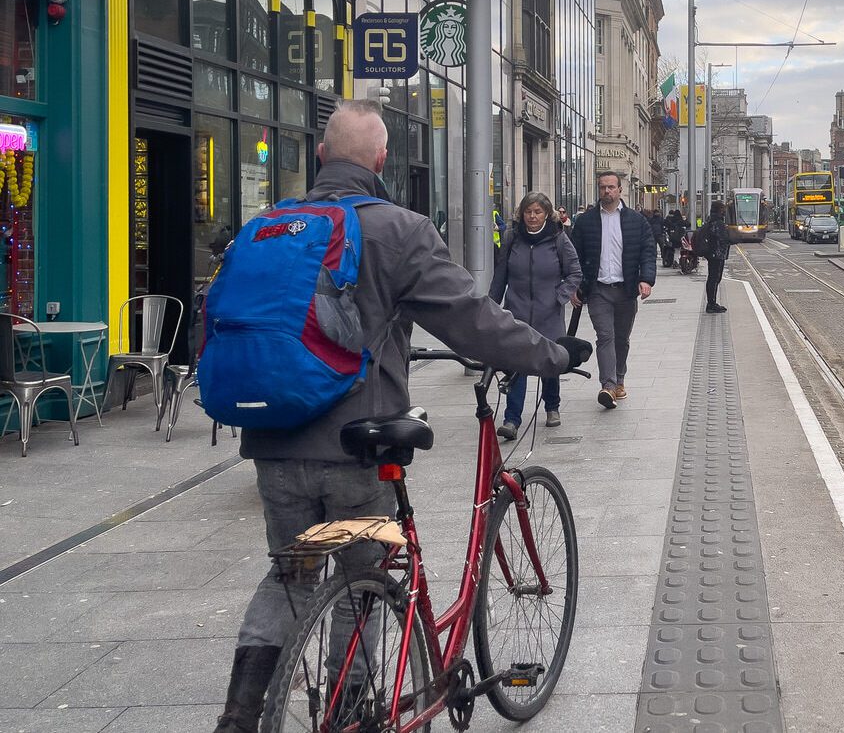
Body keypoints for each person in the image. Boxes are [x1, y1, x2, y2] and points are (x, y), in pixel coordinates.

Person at [211, 100, 584, 733]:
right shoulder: (396, 228)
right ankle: (351, 715)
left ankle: (242, 717)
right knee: (364, 584)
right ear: (381, 161)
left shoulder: (271, 223)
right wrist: (550, 354)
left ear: (322, 155)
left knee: (291, 576)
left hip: (272, 443)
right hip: (355, 448)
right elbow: (473, 320)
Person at [490, 191, 582, 436]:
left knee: (549, 362)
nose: (532, 216)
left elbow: (574, 272)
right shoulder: (511, 237)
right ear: (522, 213)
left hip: (548, 313)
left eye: (537, 212)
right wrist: (491, 305)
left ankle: (552, 407)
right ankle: (512, 420)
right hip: (517, 311)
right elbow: (501, 275)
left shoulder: (558, 239)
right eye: (528, 212)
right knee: (517, 364)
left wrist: (559, 296)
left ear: (546, 214)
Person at [570, 170, 656, 409]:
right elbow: (574, 256)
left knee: (621, 339)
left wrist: (646, 279)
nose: (606, 191)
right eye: (602, 187)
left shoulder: (636, 221)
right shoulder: (585, 221)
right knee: (605, 336)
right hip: (598, 290)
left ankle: (619, 379)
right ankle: (607, 386)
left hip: (626, 289)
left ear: (620, 190)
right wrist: (574, 285)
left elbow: (647, 252)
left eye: (610, 187)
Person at [696, 201, 732, 313]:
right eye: (723, 209)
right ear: (720, 210)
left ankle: (711, 303)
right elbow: (724, 239)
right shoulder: (718, 223)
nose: (724, 211)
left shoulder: (711, 220)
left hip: (713, 254)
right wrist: (736, 239)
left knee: (713, 278)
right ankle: (711, 304)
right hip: (717, 254)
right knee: (714, 278)